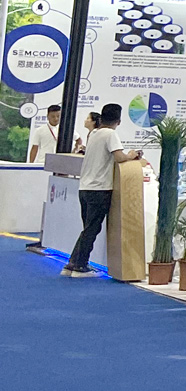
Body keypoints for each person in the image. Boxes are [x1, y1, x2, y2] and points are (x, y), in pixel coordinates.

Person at [65, 101, 140, 278]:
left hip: (85, 187)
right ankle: (80, 265)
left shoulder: (94, 133)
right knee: (92, 229)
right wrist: (131, 155)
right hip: (99, 189)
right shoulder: (110, 134)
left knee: (88, 228)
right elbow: (119, 157)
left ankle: (73, 263)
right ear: (118, 121)